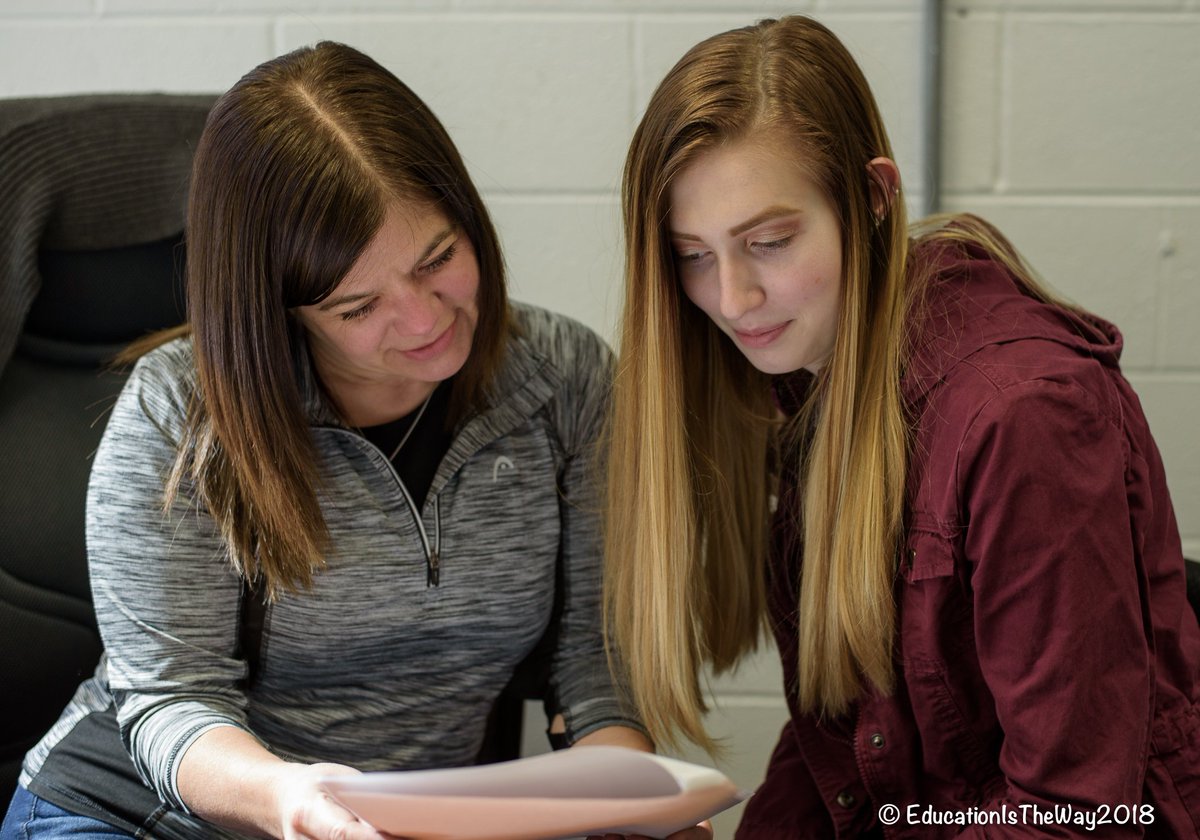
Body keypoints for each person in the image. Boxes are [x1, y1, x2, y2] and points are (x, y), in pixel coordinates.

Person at [0, 41, 675, 840]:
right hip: (137, 815)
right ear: (278, 309)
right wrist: (292, 800)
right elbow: (170, 698)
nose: (426, 319)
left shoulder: (564, 380)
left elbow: (595, 666)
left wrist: (634, 809)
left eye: (439, 259)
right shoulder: (177, 409)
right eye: (358, 308)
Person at [604, 15, 1200, 839]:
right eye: (693, 255)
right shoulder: (819, 376)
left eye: (769, 242)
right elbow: (850, 752)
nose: (731, 299)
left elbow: (1079, 812)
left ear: (875, 199)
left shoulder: (1023, 415)